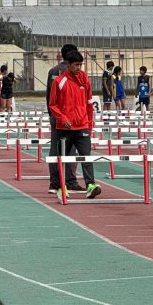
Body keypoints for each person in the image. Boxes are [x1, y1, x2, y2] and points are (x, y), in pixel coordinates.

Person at [48, 49, 101, 199]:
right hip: (64, 128)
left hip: (82, 126)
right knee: (62, 158)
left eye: (81, 65)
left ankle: (90, 184)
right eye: (76, 65)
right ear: (68, 64)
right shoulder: (59, 82)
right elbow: (52, 105)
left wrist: (89, 125)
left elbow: (89, 103)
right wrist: (63, 118)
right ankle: (61, 186)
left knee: (86, 157)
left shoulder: (85, 80)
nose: (79, 68)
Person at [46, 44, 80, 194]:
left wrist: (51, 115)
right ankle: (70, 181)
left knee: (55, 149)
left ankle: (54, 183)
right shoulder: (73, 74)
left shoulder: (52, 71)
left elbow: (49, 96)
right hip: (70, 118)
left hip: (56, 116)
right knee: (71, 149)